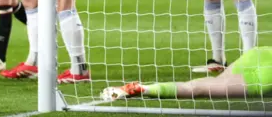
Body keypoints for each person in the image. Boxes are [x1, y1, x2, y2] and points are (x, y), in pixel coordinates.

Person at [101, 46, 272, 101]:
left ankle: (140, 88)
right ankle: (143, 89)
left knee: (206, 85)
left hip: (260, 54)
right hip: (265, 77)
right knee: (199, 89)